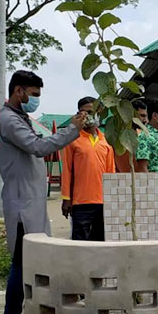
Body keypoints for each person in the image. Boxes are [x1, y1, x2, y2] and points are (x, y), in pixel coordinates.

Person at [0, 70, 87, 314]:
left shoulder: (20, 118)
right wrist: (72, 130)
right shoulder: (9, 121)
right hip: (23, 204)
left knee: (29, 262)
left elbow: (39, 143)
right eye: (33, 95)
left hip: (30, 201)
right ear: (19, 91)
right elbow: (39, 147)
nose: (36, 100)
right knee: (22, 264)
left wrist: (71, 125)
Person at [60, 96, 116, 241]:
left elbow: (111, 173)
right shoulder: (72, 139)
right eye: (83, 112)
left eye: (91, 112)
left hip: (102, 202)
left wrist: (112, 200)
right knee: (80, 245)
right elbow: (66, 169)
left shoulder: (106, 141)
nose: (87, 116)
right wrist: (66, 199)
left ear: (99, 113)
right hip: (80, 203)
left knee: (100, 243)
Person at [115, 99, 148, 173]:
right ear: (133, 114)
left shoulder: (143, 135)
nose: (145, 120)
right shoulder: (119, 137)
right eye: (142, 116)